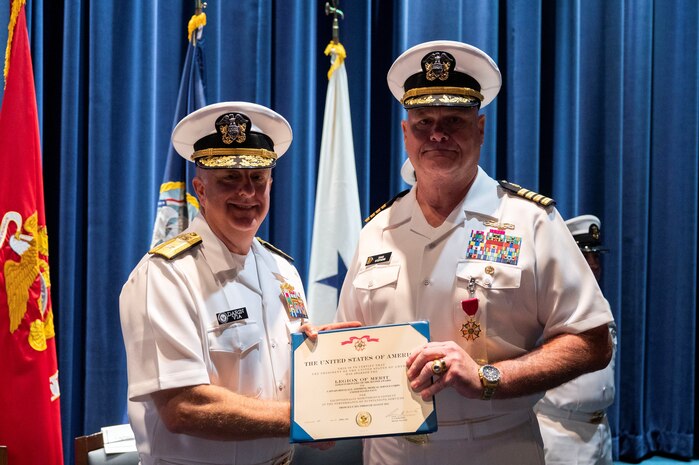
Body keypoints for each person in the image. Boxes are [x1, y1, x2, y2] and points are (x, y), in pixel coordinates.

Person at [335, 40, 614, 465]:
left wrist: (490, 377)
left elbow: (593, 341)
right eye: (423, 120)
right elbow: (350, 338)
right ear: (405, 133)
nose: (437, 134)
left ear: (480, 129)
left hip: (495, 448)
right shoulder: (376, 230)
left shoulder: (530, 221)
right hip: (388, 451)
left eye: (453, 119)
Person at [119, 102, 331, 465]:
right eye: (229, 178)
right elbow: (183, 406)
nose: (247, 193)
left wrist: (329, 359)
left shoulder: (283, 270)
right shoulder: (166, 276)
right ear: (200, 189)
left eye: (257, 178)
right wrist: (302, 419)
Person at [534, 214, 616, 464]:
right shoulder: (545, 305)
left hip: (600, 429)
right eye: (584, 256)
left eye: (596, 256)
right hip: (559, 432)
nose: (593, 264)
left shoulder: (601, 305)